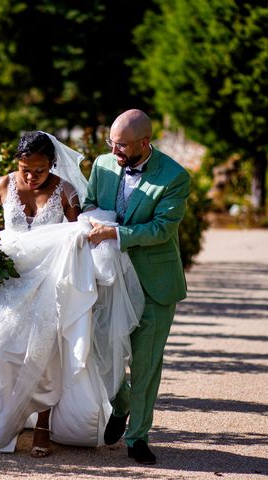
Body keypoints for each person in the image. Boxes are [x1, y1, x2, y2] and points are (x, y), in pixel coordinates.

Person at [0, 131, 144, 458]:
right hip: (6, 282)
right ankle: (8, 415)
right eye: (25, 168)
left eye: (38, 170)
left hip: (48, 285)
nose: (30, 176)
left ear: (52, 164)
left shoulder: (65, 192)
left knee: (44, 354)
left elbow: (77, 238)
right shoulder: (4, 183)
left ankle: (42, 427)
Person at [84, 109, 191, 464]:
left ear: (145, 143)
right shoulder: (102, 165)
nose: (114, 151)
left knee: (145, 364)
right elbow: (90, 206)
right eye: (111, 143)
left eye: (122, 146)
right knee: (101, 354)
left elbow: (162, 229)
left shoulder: (175, 177)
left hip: (154, 284)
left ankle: (138, 437)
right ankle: (121, 404)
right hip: (108, 278)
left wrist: (114, 233)